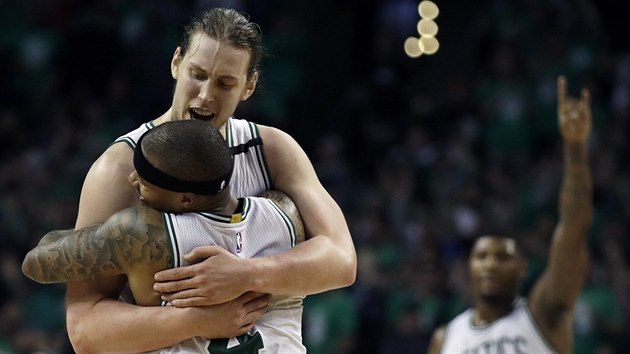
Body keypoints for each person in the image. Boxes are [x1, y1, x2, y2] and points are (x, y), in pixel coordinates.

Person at [65, 7, 356, 353]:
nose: (205, 95)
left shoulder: (272, 150)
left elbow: (341, 260)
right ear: (176, 64)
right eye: (197, 74)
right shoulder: (118, 171)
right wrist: (198, 321)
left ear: (249, 86)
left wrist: (246, 275)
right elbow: (84, 327)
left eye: (224, 83)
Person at [23, 119, 307, 353]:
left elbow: (36, 263)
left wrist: (104, 229)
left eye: (145, 183)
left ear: (185, 199)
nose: (132, 182)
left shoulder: (143, 232)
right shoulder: (285, 214)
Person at [427, 76, 593, 354]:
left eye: (503, 257)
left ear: (523, 268)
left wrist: (575, 149)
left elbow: (574, 228)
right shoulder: (445, 339)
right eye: (481, 257)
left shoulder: (543, 314)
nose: (491, 265)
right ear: (469, 267)